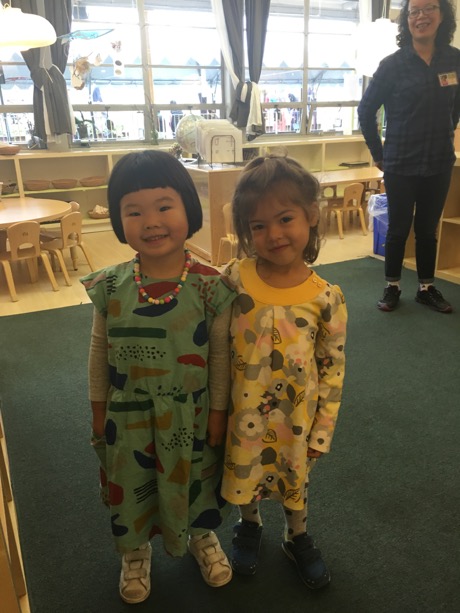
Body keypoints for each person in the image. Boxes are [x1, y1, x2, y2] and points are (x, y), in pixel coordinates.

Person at [80, 150, 235, 604]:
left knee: (197, 482)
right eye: (134, 211)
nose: (151, 221)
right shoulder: (109, 286)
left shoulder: (212, 284)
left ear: (189, 207)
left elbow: (221, 354)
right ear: (118, 219)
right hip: (127, 414)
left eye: (164, 206)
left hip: (194, 411)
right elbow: (97, 352)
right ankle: (134, 551)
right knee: (130, 487)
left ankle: (202, 538)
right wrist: (97, 411)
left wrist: (220, 413)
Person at [220, 155, 348, 589]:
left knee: (294, 480)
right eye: (258, 226)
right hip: (243, 412)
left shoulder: (325, 296)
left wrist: (322, 430)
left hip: (296, 419)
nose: (273, 234)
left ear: (311, 215)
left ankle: (298, 537)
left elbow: (332, 368)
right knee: (244, 473)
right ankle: (249, 525)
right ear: (245, 232)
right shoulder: (233, 279)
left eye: (285, 218)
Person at [358, 0, 460, 313]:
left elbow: (456, 107)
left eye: (429, 8)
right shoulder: (392, 64)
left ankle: (426, 288)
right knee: (399, 228)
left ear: (442, 15)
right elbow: (366, 109)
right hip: (400, 162)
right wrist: (378, 153)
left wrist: (448, 130)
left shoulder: (454, 59)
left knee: (428, 230)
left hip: (440, 161)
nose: (421, 16)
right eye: (414, 11)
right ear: (407, 21)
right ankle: (392, 287)